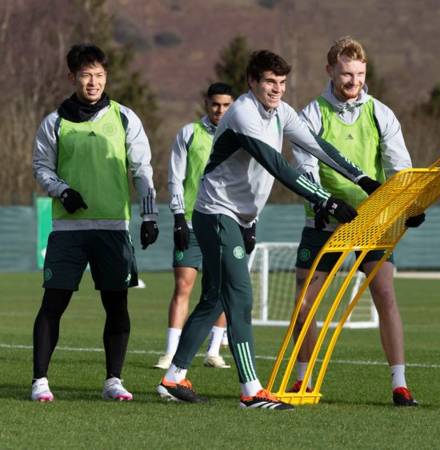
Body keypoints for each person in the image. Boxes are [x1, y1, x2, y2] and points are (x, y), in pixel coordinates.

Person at [156, 49, 380, 410]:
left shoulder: (281, 112)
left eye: (282, 83)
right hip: (216, 214)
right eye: (269, 83)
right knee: (240, 297)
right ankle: (250, 391)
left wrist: (364, 179)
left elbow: (318, 146)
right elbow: (277, 165)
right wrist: (325, 199)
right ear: (252, 82)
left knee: (214, 297)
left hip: (238, 217)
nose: (277, 89)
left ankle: (174, 377)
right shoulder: (243, 113)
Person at [291, 36, 424, 407]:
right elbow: (305, 167)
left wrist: (410, 204)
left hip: (373, 219)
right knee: (305, 302)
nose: (354, 81)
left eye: (360, 73)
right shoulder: (311, 114)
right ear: (330, 70)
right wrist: (325, 203)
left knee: (385, 294)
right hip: (324, 221)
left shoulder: (381, 113)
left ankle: (400, 383)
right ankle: (302, 379)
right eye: (347, 73)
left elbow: (400, 165)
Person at [31, 43, 159, 402]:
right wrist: (62, 191)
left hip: (114, 228)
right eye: (86, 75)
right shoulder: (54, 122)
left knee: (117, 305)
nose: (93, 82)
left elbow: (142, 169)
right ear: (72, 76)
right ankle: (39, 381)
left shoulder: (124, 118)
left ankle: (113, 381)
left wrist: (150, 215)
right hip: (68, 231)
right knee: (53, 303)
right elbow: (42, 167)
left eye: (100, 75)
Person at [153, 83, 235, 371]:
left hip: (225, 224)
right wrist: (177, 215)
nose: (220, 110)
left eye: (226, 105)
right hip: (190, 222)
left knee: (222, 287)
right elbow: (176, 177)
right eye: (215, 104)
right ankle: (171, 353)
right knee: (183, 286)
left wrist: (250, 223)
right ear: (206, 103)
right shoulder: (189, 133)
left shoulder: (239, 135)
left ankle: (213, 351)